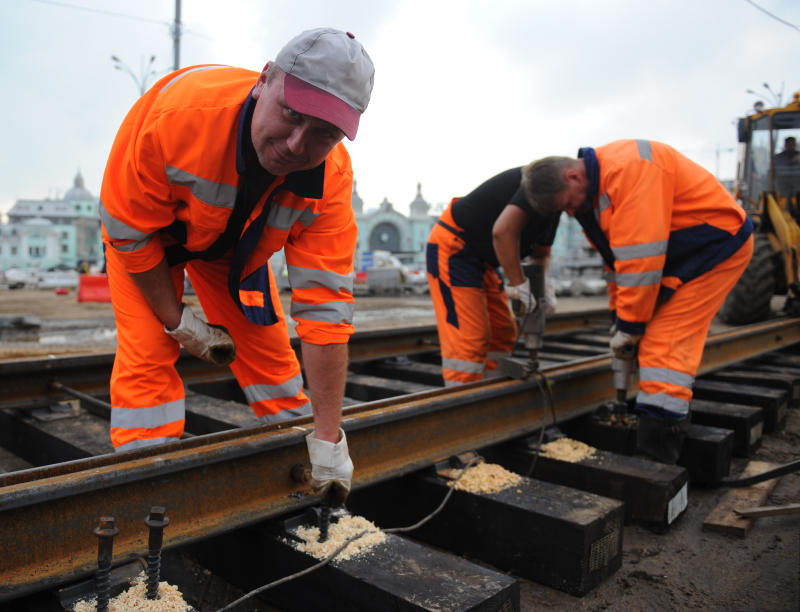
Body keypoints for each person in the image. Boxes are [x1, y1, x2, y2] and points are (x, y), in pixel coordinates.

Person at [99, 28, 374, 503]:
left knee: (273, 363)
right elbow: (128, 231)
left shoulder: (331, 180)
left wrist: (329, 438)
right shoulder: (177, 119)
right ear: (264, 80)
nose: (295, 144)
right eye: (292, 113)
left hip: (233, 251)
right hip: (150, 244)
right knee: (147, 357)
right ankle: (148, 495)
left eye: (324, 134)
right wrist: (178, 322)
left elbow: (326, 310)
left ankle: (293, 464)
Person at [522, 140, 753, 463]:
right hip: (679, 256)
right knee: (647, 338)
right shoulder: (594, 197)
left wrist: (630, 328)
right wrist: (620, 318)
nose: (571, 211)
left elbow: (641, 262)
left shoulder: (631, 170)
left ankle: (658, 455)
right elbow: (617, 266)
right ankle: (662, 421)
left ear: (574, 176)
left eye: (568, 203)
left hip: (714, 247)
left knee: (663, 344)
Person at [426, 166, 560, 386]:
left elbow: (541, 254)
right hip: (454, 247)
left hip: (483, 258)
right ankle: (461, 405)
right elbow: (502, 233)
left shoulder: (555, 205)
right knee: (468, 340)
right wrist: (519, 286)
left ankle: (489, 390)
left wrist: (544, 285)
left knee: (503, 332)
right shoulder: (538, 187)